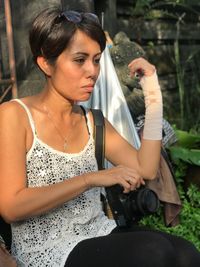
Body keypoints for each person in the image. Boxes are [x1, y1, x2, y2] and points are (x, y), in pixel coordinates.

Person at [0, 6, 200, 267]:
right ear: (46, 63)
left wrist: (152, 93)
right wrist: (92, 179)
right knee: (153, 252)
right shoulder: (14, 115)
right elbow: (11, 206)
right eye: (79, 60)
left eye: (96, 60)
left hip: (98, 232)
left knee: (186, 253)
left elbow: (147, 169)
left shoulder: (92, 121)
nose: (92, 71)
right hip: (47, 248)